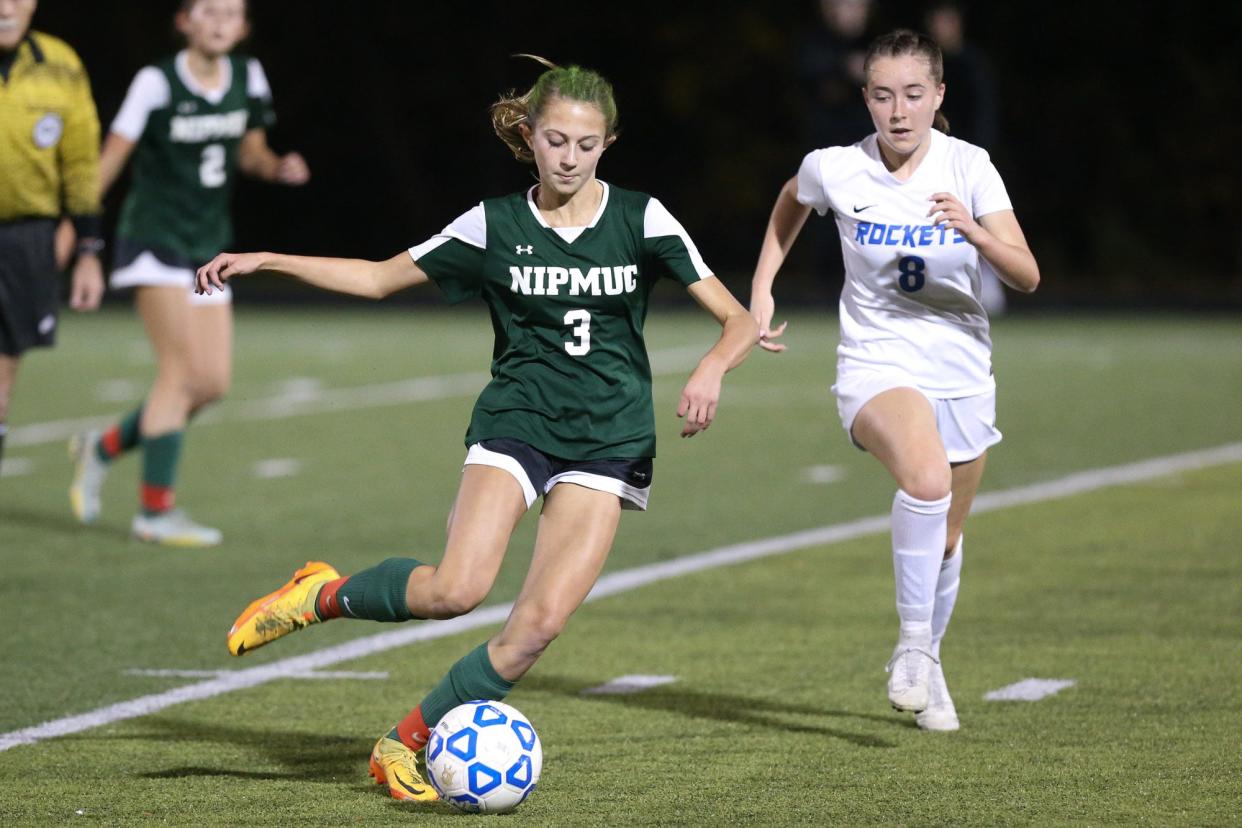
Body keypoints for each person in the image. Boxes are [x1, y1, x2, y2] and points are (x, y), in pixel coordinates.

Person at [195, 58, 757, 801]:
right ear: (528, 134)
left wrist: (713, 366)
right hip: (518, 423)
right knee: (456, 590)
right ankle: (321, 594)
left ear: (608, 144)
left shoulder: (639, 218)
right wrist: (268, 258)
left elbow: (739, 318)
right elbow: (376, 277)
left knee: (537, 628)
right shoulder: (493, 224)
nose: (570, 158)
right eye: (555, 140)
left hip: (610, 441)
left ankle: (404, 743)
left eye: (586, 145)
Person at [749, 29, 1039, 731]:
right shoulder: (837, 168)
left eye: (913, 94)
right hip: (877, 363)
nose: (899, 111)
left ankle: (929, 662)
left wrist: (974, 232)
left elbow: (1026, 275)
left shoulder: (969, 167)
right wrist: (761, 287)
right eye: (883, 95)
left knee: (944, 536)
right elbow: (792, 200)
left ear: (938, 95)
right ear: (867, 99)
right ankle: (911, 647)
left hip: (964, 370)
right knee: (926, 480)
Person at [67, 0, 309, 545]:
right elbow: (109, 160)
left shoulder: (248, 76)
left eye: (232, 14)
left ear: (244, 27)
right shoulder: (156, 82)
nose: (221, 22)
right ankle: (154, 513)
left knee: (210, 383)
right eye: (208, 10)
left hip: (208, 245)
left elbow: (250, 153)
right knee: (177, 375)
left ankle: (102, 446)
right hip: (152, 239)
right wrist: (79, 232)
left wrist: (275, 166)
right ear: (183, 20)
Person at [0, 0, 104, 476]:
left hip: (25, 235)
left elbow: (82, 165)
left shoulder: (61, 65)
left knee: (4, 363)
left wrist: (87, 249)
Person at [925, 0, 1007, 315]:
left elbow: (984, 113)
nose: (941, 27)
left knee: (977, 218)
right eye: (937, 20)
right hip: (933, 154)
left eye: (947, 20)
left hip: (966, 155)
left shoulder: (972, 64)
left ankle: (988, 279)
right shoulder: (926, 66)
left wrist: (979, 154)